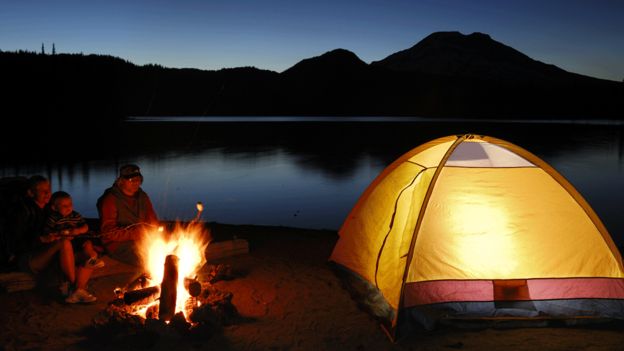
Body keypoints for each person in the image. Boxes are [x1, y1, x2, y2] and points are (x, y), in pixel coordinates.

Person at [12, 176, 97, 303]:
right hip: (31, 257)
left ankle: (79, 291)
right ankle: (75, 287)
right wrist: (43, 239)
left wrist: (74, 231)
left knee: (89, 255)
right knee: (64, 243)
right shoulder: (22, 211)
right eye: (43, 191)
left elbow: (72, 220)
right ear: (31, 193)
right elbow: (16, 240)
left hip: (53, 254)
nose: (48, 194)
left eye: (49, 190)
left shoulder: (51, 209)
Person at [97, 164, 159, 266]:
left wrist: (154, 232)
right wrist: (139, 233)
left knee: (168, 248)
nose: (136, 182)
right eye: (131, 180)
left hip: (141, 239)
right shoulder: (110, 199)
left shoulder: (142, 197)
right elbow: (108, 232)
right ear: (121, 180)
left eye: (138, 179)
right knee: (149, 258)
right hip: (117, 245)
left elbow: (152, 220)